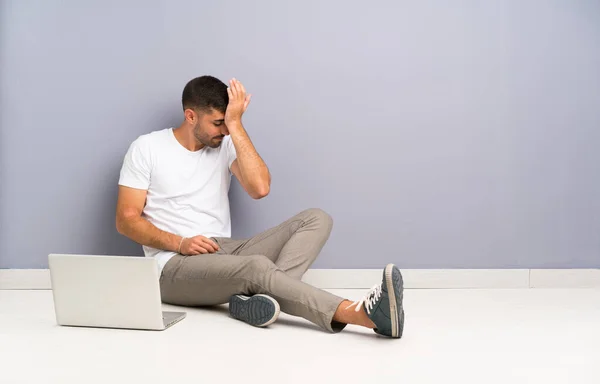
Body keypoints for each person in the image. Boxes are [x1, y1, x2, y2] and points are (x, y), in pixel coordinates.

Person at [115, 75, 405, 338]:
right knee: (257, 267)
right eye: (218, 123)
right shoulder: (147, 148)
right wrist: (180, 243)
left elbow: (260, 189)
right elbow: (126, 220)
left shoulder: (226, 142)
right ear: (191, 116)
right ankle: (362, 314)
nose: (224, 131)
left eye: (227, 124)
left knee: (316, 219)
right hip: (172, 266)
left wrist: (236, 124)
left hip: (223, 251)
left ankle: (263, 301)